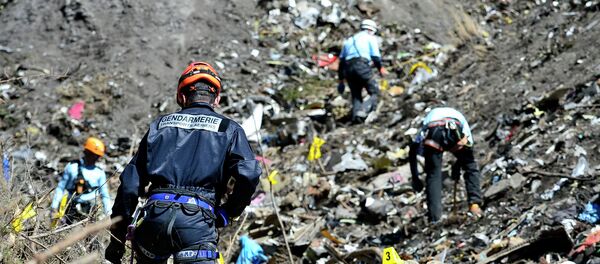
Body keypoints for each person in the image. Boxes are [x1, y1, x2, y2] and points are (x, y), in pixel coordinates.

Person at [105, 62, 262, 264]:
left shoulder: (159, 126)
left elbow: (129, 185)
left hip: (155, 218)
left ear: (183, 97)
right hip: (198, 223)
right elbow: (249, 174)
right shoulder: (229, 129)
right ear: (217, 99)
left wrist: (116, 241)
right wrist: (229, 211)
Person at [409, 107, 483, 223]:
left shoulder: (428, 122)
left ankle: (435, 217)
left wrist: (415, 177)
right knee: (470, 166)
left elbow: (413, 149)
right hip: (454, 127)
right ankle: (474, 205)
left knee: (433, 175)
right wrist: (459, 163)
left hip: (433, 131)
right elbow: (467, 149)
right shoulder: (462, 126)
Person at [50, 137, 111, 224]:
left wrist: (108, 214)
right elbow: (61, 187)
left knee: (90, 234)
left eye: (96, 156)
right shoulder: (72, 167)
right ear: (86, 152)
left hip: (90, 208)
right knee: (66, 230)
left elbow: (105, 195)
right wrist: (54, 207)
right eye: (91, 154)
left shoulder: (100, 173)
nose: (94, 158)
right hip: (71, 205)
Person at [337, 19, 388, 123]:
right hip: (361, 65)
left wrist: (341, 80)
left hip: (348, 69)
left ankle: (356, 118)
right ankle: (365, 111)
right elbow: (376, 57)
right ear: (371, 30)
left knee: (356, 95)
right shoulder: (370, 38)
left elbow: (341, 62)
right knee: (374, 91)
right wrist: (380, 69)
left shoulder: (349, 40)